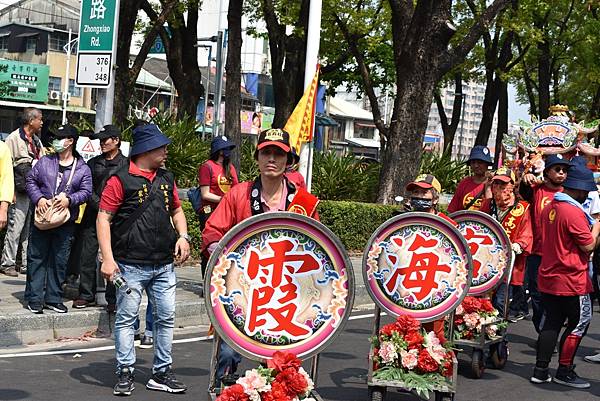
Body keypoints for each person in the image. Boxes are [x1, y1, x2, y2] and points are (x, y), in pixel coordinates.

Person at [202, 128, 319, 388]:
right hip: (243, 291)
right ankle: (225, 387)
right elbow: (212, 232)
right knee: (230, 351)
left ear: (289, 161)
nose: (272, 159)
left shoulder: (304, 202)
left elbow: (318, 251)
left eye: (279, 154)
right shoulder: (238, 194)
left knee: (280, 358)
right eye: (266, 152)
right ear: (257, 157)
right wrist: (224, 260)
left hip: (287, 294)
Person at [98, 124, 190, 396]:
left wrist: (183, 236)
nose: (166, 151)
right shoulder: (120, 179)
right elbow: (103, 218)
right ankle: (125, 370)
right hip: (129, 265)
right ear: (146, 149)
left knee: (166, 317)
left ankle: (161, 371)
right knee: (127, 319)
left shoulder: (167, 178)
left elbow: (177, 210)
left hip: (164, 264)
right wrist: (107, 259)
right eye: (161, 146)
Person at [530, 162, 600, 389]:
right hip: (572, 279)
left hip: (550, 275)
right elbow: (588, 245)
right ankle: (565, 370)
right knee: (579, 323)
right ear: (579, 189)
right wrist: (598, 226)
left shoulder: (552, 205)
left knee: (552, 322)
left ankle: (540, 370)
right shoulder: (572, 211)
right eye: (585, 192)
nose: (586, 196)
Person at [24, 125, 92, 314]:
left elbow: (86, 191)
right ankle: (35, 299)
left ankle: (54, 298)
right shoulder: (45, 161)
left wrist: (70, 200)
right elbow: (31, 181)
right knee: (36, 257)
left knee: (59, 260)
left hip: (65, 222)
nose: (55, 141)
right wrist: (39, 198)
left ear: (70, 141)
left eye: (60, 138)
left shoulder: (82, 168)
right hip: (43, 219)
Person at [72, 125, 128, 309]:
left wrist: (112, 211)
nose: (102, 143)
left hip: (117, 220)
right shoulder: (93, 163)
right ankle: (86, 294)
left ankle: (113, 298)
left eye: (106, 140)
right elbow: (86, 189)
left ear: (116, 140)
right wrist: (101, 207)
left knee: (114, 258)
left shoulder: (127, 164)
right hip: (93, 217)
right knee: (87, 256)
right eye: (100, 140)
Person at [519, 154, 569, 333]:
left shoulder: (569, 193)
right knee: (537, 294)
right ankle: (544, 330)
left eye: (564, 170)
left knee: (556, 295)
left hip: (560, 254)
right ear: (547, 171)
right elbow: (522, 194)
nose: (561, 173)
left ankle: (551, 330)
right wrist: (525, 179)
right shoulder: (536, 190)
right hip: (537, 253)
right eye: (557, 169)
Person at [480, 167, 533, 319]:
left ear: (513, 185)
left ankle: (499, 338)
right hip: (486, 262)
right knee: (483, 302)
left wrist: (519, 244)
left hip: (508, 263)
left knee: (500, 302)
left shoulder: (522, 207)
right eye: (496, 184)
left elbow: (527, 233)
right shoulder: (487, 204)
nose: (500, 188)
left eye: (504, 184)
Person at [405, 173, 453, 341]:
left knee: (434, 334)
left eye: (424, 193)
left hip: (435, 286)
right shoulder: (402, 223)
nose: (418, 196)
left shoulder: (448, 225)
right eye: (416, 192)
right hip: (408, 285)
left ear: (435, 198)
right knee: (407, 330)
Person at [0, 108, 44, 277]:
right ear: (31, 120)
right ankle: (8, 262)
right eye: (39, 119)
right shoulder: (13, 138)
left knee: (28, 229)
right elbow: (7, 167)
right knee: (15, 226)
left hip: (33, 190)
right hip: (18, 190)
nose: (41, 122)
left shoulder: (36, 141)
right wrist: (9, 192)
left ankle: (25, 263)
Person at [197, 135, 238, 275]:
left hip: (226, 213)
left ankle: (222, 279)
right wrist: (224, 200)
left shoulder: (230, 168)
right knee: (209, 246)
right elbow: (205, 193)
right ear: (219, 150)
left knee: (227, 245)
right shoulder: (207, 167)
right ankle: (206, 280)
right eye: (225, 148)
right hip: (209, 211)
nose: (228, 151)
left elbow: (236, 189)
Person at [447, 145, 493, 213]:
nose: (476, 165)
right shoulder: (464, 183)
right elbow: (452, 209)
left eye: (480, 162)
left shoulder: (494, 184)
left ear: (487, 164)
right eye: (473, 162)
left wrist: (488, 188)